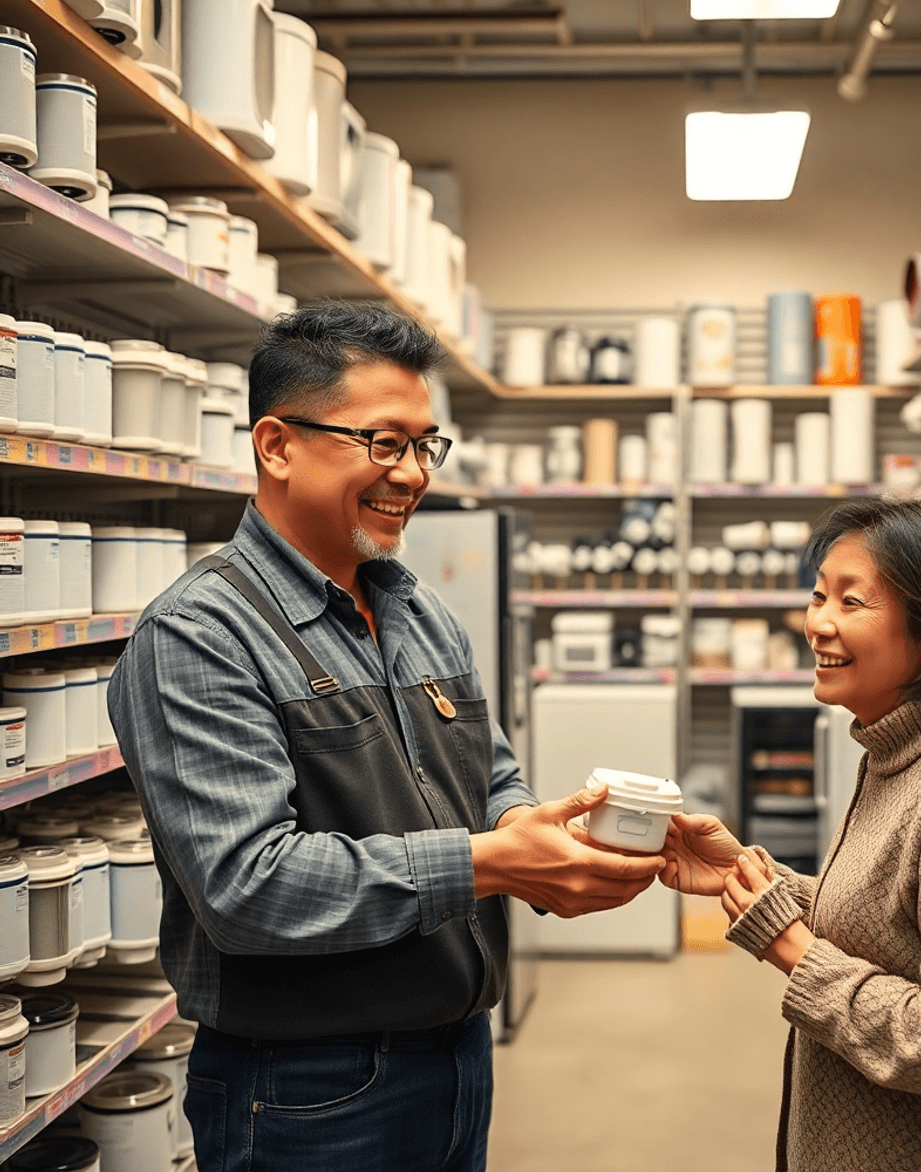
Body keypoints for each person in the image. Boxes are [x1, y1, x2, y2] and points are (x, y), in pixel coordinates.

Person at [109, 302, 665, 1172]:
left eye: (423, 446)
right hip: (306, 1086)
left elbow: (491, 778)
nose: (411, 473)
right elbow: (248, 888)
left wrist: (534, 835)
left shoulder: (417, 609)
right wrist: (492, 862)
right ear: (277, 445)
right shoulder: (200, 634)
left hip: (456, 1055)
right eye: (383, 442)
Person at [661, 495, 921, 1172]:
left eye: (850, 603)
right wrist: (756, 879)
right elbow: (894, 926)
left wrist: (795, 952)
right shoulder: (907, 751)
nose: (816, 624)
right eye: (817, 595)